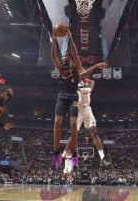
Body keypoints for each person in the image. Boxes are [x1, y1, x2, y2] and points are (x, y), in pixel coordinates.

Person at [62, 66, 112, 167]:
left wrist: (78, 88)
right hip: (76, 110)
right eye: (81, 71)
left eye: (84, 71)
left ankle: (102, 158)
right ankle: (63, 155)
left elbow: (89, 88)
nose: (83, 72)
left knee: (94, 131)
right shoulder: (73, 81)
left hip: (87, 109)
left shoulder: (91, 82)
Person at [51, 24, 83, 169]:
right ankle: (56, 154)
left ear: (70, 58)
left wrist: (70, 37)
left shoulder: (76, 66)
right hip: (62, 96)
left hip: (74, 98)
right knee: (57, 123)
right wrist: (54, 39)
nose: (62, 57)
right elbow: (53, 56)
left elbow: (75, 54)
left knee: (73, 125)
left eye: (64, 56)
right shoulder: (61, 67)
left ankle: (75, 155)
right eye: (62, 56)